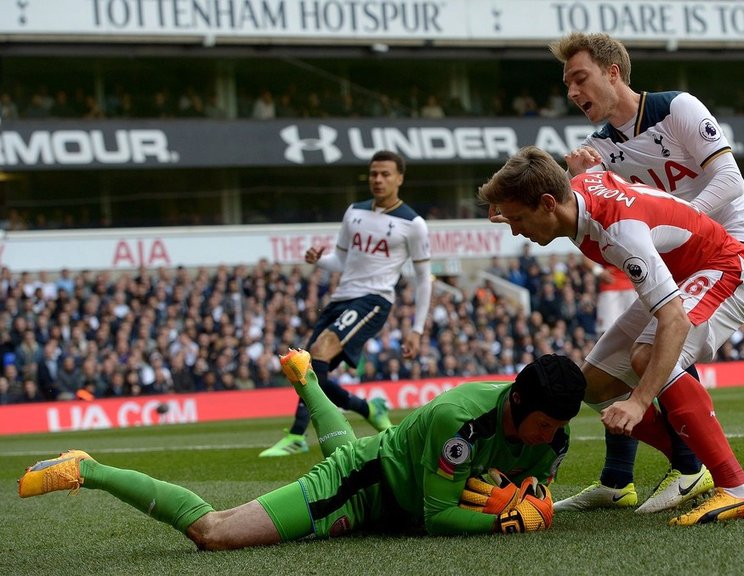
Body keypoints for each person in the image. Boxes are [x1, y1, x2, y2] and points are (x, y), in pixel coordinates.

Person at [544, 32, 744, 514]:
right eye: (567, 83)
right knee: (600, 374)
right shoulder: (596, 148)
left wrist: (682, 222)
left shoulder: (677, 108)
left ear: (613, 72)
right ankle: (618, 480)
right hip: (676, 263)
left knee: (655, 353)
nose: (572, 92)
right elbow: (592, 216)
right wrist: (576, 179)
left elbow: (731, 180)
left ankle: (697, 469)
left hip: (739, 247)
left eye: (580, 78)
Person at [18, 349, 584, 547]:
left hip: (394, 469)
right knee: (214, 534)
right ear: (513, 401)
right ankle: (88, 468)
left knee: (354, 445)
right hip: (368, 490)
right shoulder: (458, 419)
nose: (549, 438)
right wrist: (500, 524)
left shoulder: (552, 431)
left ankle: (306, 378)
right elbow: (438, 518)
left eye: (557, 429)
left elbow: (538, 486)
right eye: (542, 427)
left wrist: (533, 496)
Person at [479, 146, 744, 526]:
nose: (516, 230)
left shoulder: (619, 234)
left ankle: (739, 489)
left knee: (648, 356)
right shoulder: (573, 192)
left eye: (518, 219)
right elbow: (587, 173)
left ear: (548, 203)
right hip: (681, 276)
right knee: (593, 385)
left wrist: (640, 401)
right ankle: (689, 464)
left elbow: (674, 321)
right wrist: (566, 174)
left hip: (723, 270)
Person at [259, 150, 434, 457]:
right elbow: (341, 259)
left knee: (319, 352)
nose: (378, 180)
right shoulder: (354, 212)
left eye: (385, 174)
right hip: (342, 297)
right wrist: (319, 260)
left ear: (400, 179)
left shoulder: (413, 224)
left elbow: (423, 278)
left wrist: (417, 329)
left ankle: (299, 434)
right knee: (308, 369)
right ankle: (366, 408)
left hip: (374, 300)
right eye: (373, 174)